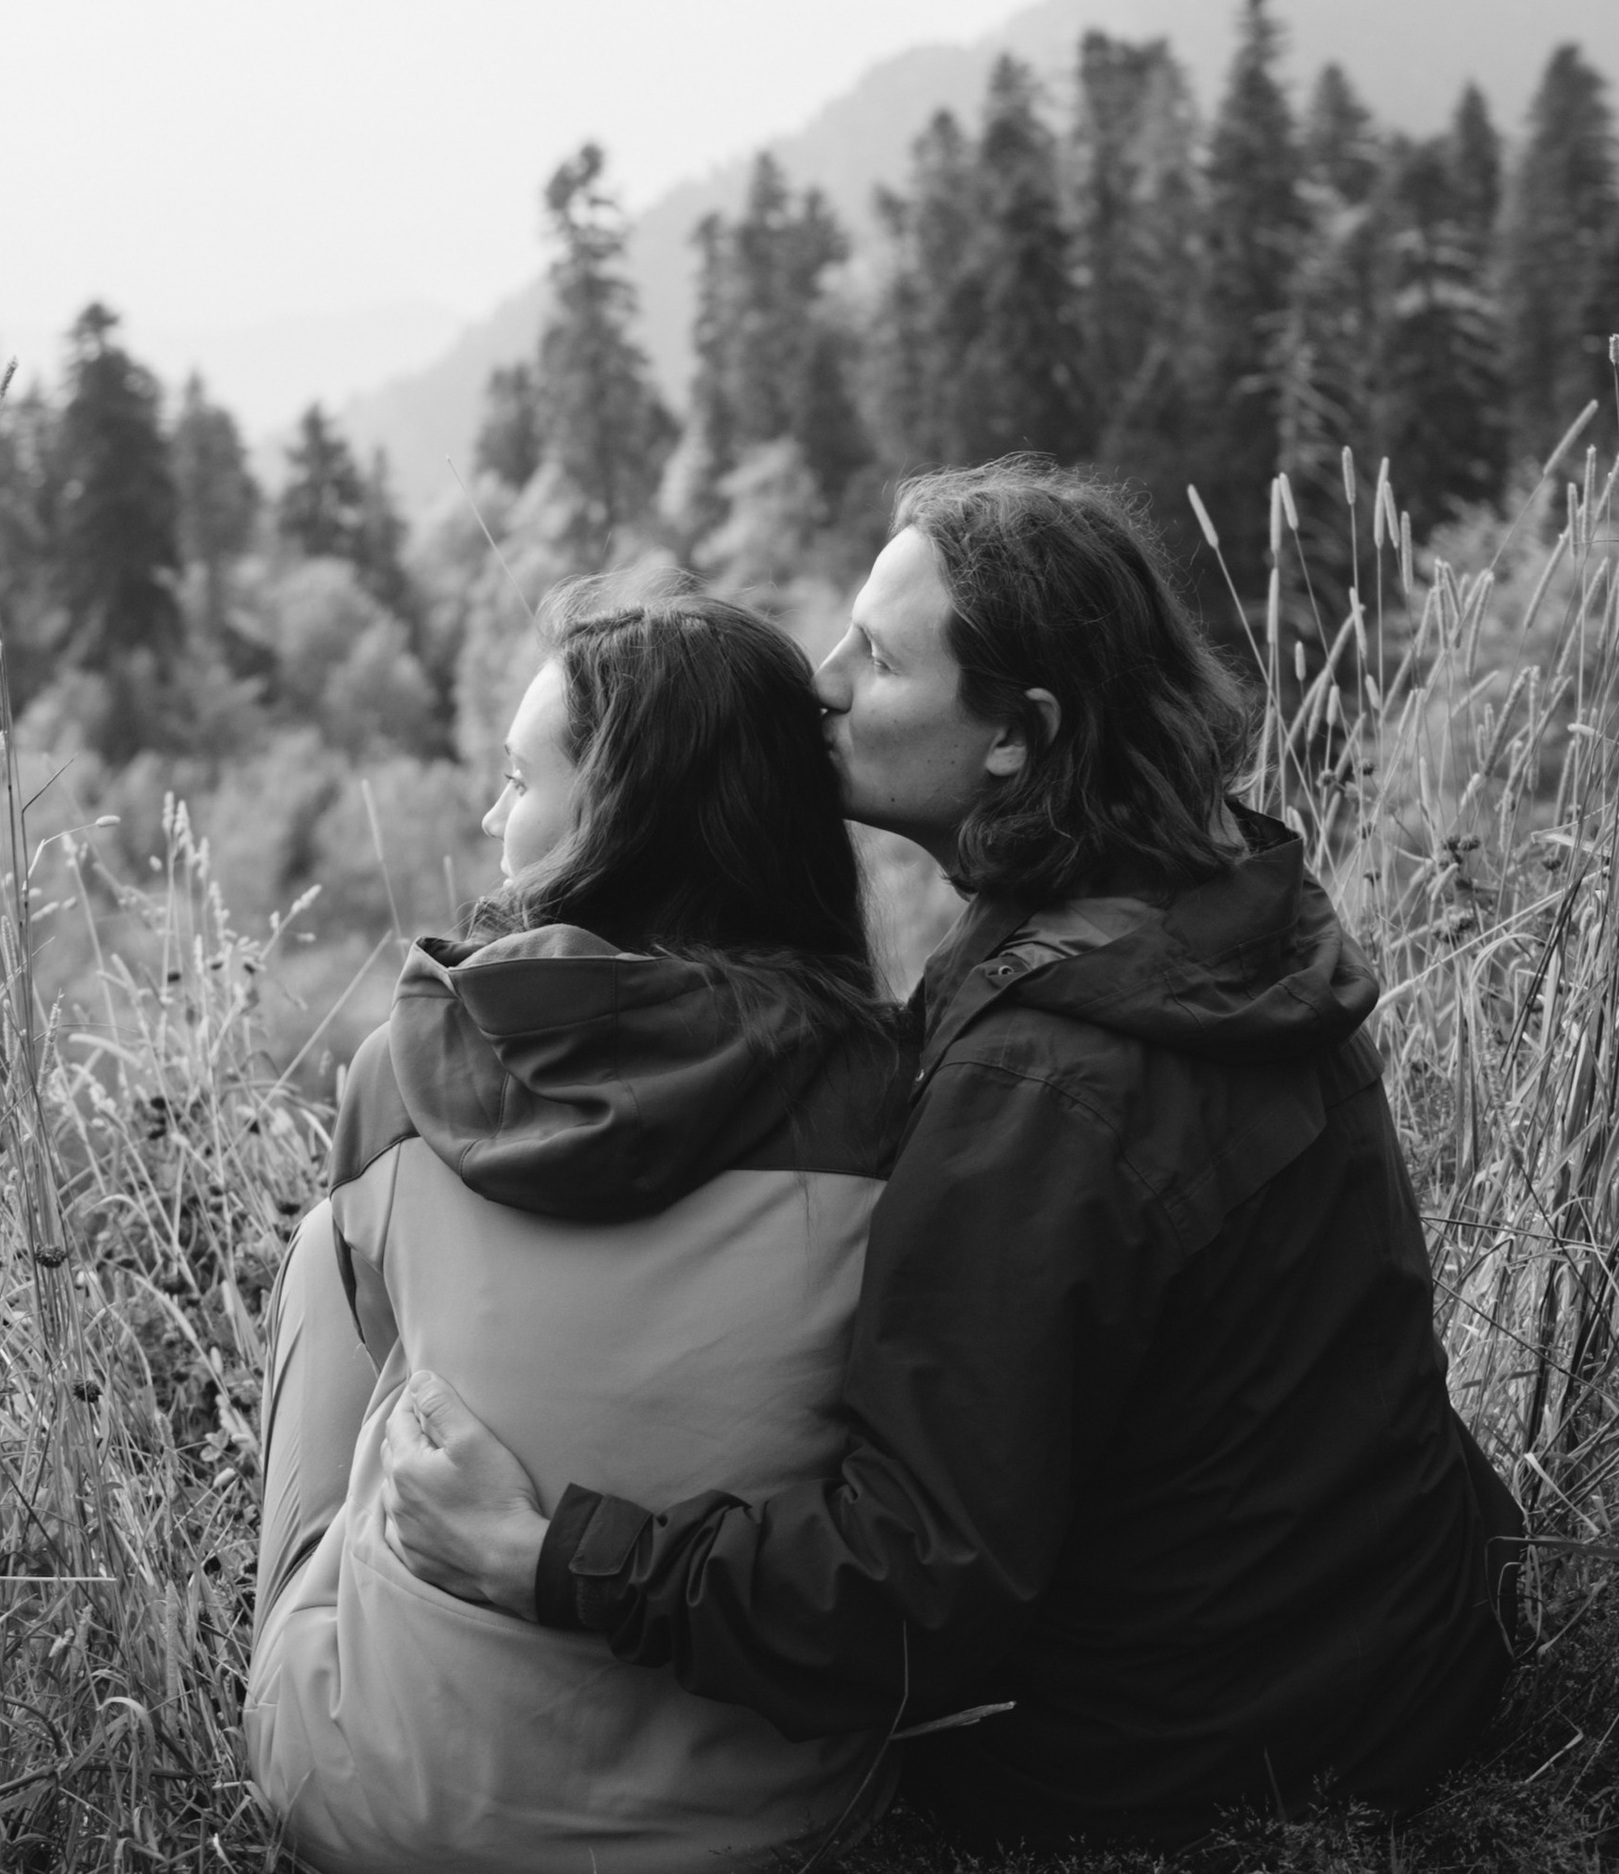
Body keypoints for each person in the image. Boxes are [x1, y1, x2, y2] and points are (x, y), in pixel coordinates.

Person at [383, 460, 1527, 1853]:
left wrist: (551, 1556)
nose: (824, 681)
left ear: (1015, 735)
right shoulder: (1217, 912)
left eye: (879, 657)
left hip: (1195, 1759)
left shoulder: (1045, 1084)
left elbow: (913, 1594)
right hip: (1404, 1654)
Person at [243, 580, 913, 1874]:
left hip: (383, 1800)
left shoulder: (403, 1074)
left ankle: (345, 1685)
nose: (494, 819)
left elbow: (344, 1418)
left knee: (347, 1300)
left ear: (614, 819)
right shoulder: (890, 1095)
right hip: (766, 1818)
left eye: (516, 780)